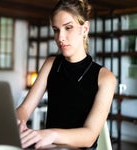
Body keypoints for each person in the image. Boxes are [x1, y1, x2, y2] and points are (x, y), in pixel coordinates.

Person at [16, 0, 117, 149]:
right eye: (56, 30)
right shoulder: (51, 64)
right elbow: (24, 109)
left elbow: (89, 136)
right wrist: (19, 121)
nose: (60, 38)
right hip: (48, 148)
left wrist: (51, 134)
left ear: (85, 29)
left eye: (68, 28)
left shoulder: (106, 78)